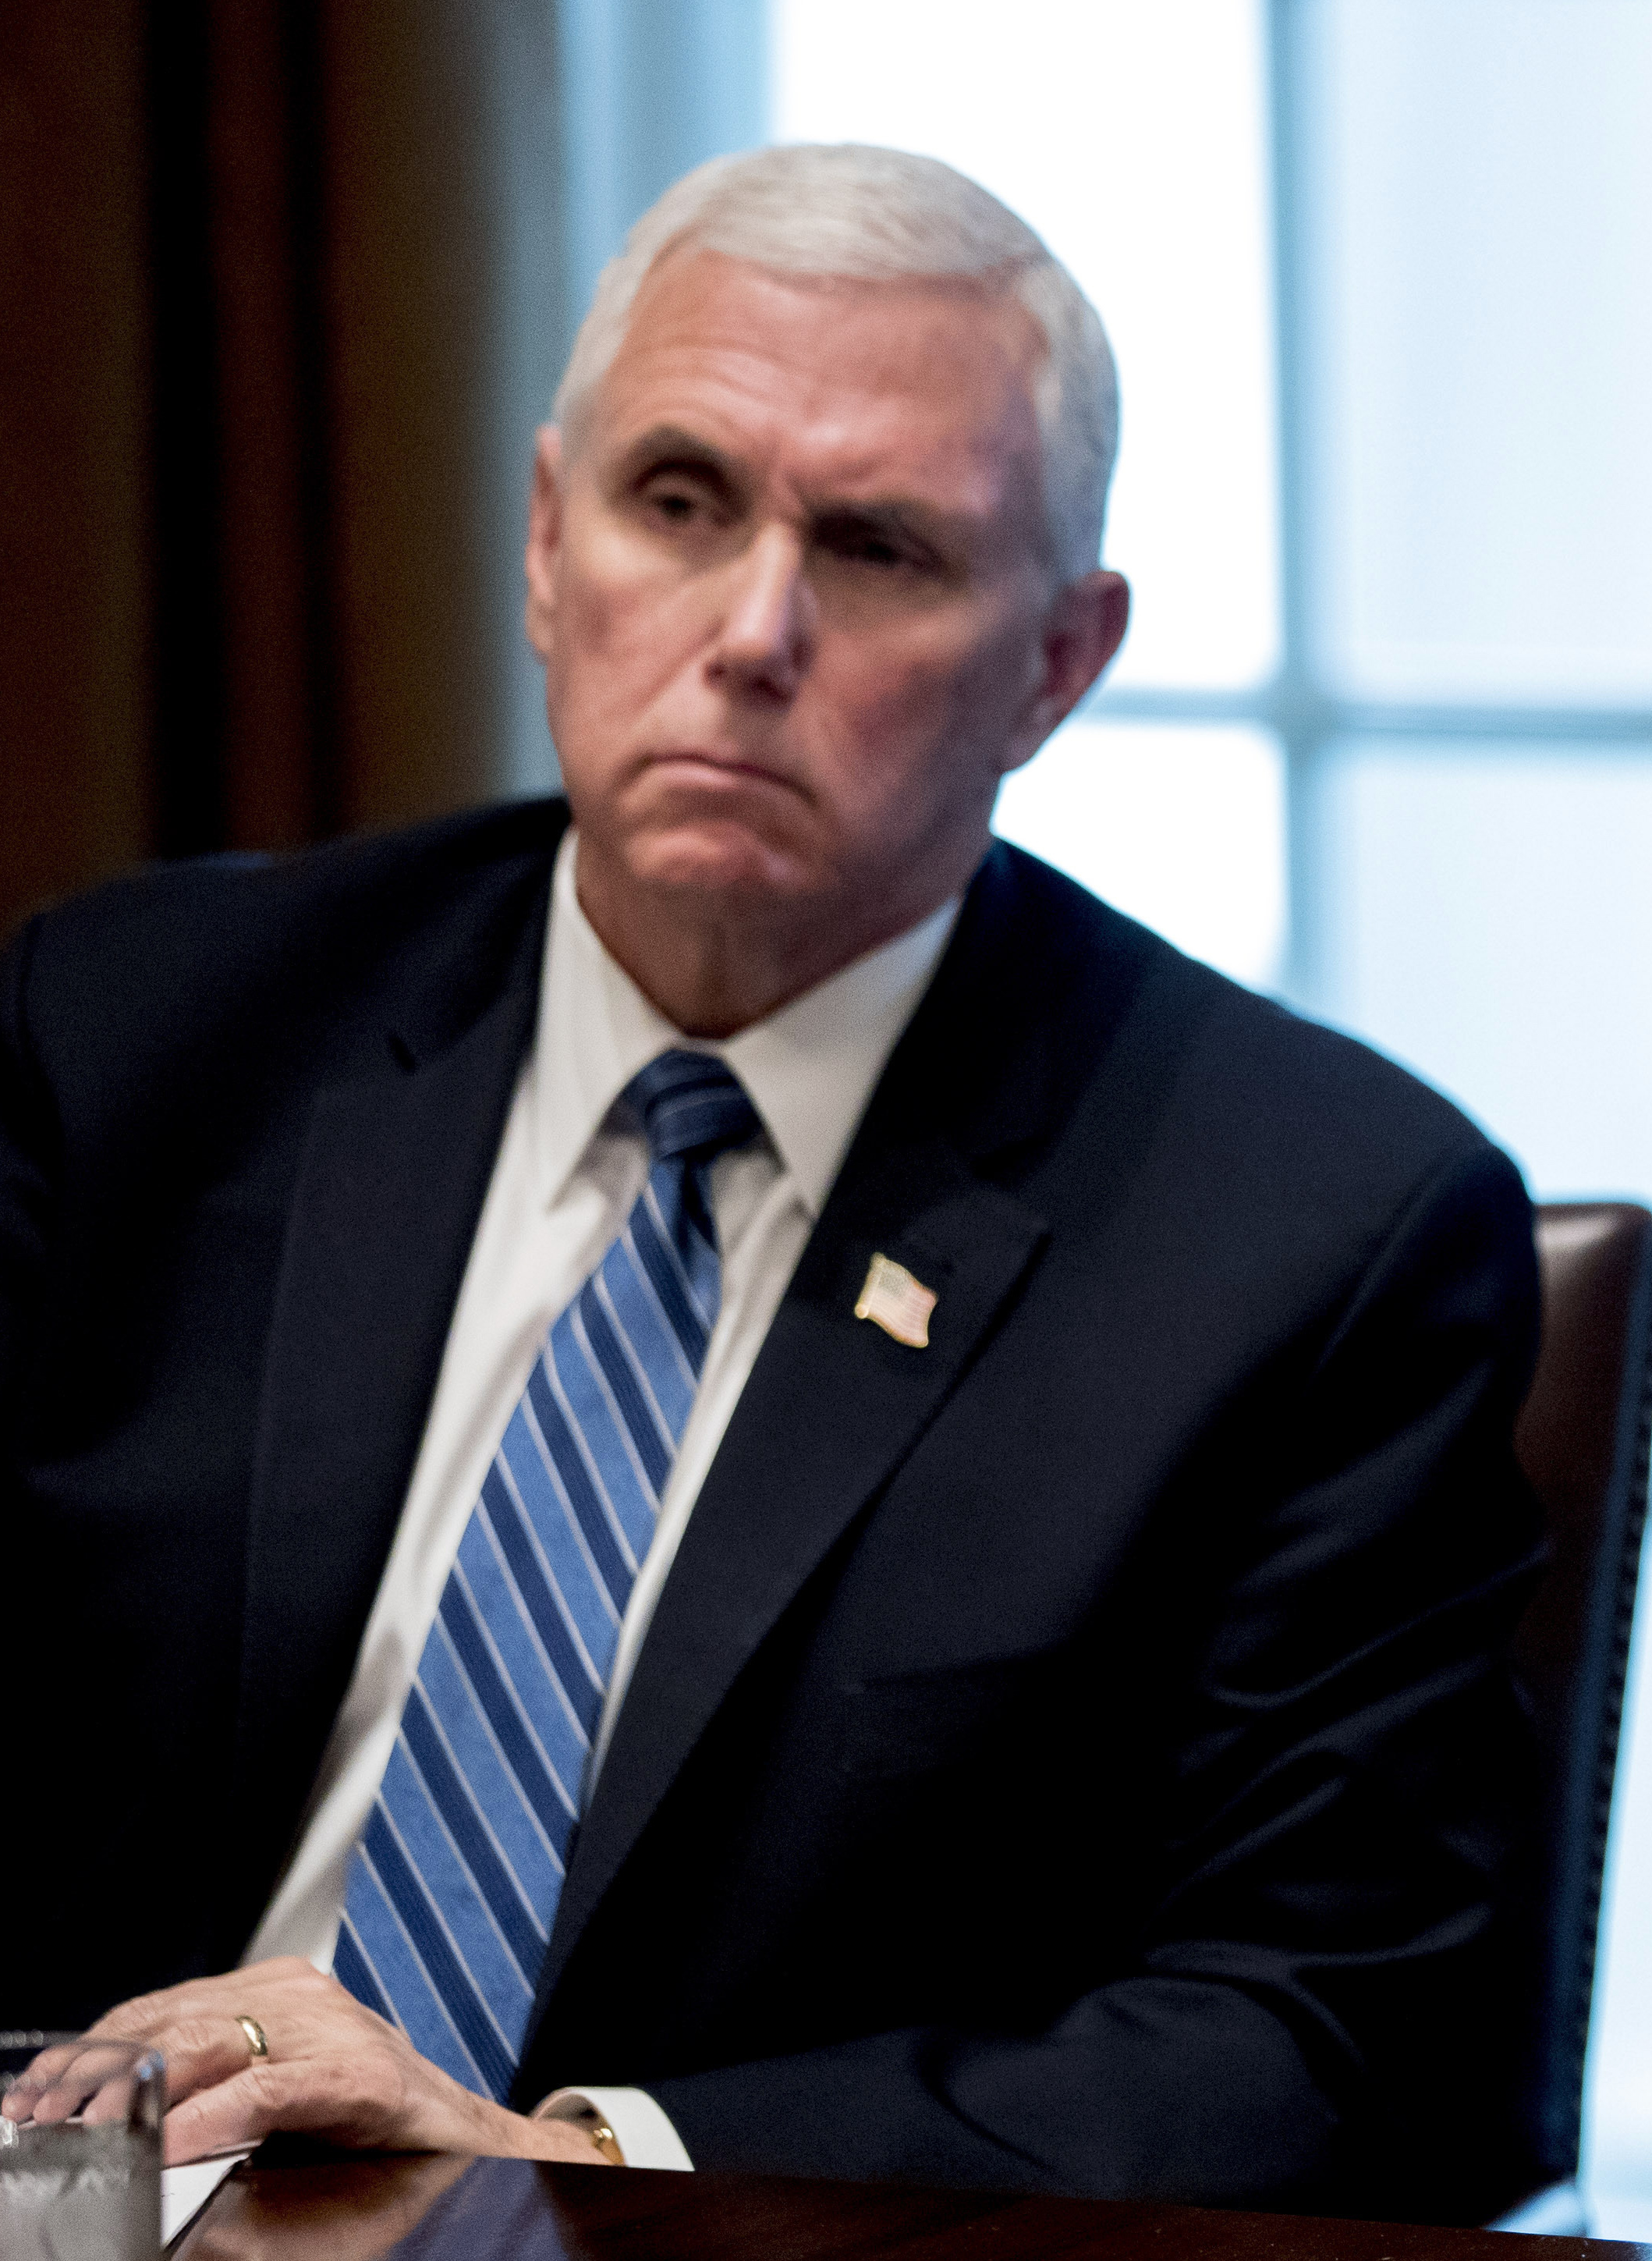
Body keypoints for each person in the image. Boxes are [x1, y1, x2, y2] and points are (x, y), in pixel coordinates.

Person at [0, 144, 1547, 2220]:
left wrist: (572, 2160)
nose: (752, 632)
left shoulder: (1311, 1237)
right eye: (679, 501)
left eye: (883, 549)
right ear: (546, 542)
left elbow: (1340, 2038)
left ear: (1059, 661)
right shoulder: (146, 1038)